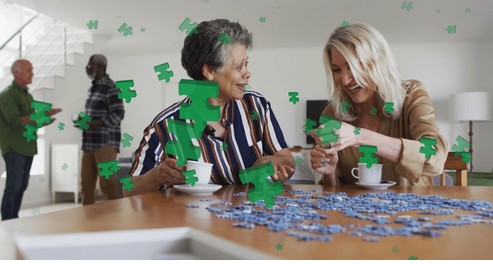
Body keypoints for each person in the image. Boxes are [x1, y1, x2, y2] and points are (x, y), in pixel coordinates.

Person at [125, 19, 294, 196]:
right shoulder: (165, 126)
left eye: (246, 64)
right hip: (195, 220)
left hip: (255, 217)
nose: (247, 73)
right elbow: (128, 189)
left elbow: (286, 159)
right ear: (209, 72)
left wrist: (274, 162)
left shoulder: (257, 106)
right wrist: (157, 176)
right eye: (239, 66)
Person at [310, 23, 448, 186]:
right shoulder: (332, 113)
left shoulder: (412, 95)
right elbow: (333, 195)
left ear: (378, 61)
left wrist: (360, 136)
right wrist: (329, 173)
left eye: (353, 66)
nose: (345, 80)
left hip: (413, 209)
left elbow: (435, 158)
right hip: (354, 211)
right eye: (337, 70)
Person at [0, 59, 61, 220]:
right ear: (16, 73)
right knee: (13, 186)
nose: (32, 73)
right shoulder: (7, 95)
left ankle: (14, 218)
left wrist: (46, 117)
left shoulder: (28, 95)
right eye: (28, 70)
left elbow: (32, 118)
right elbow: (16, 120)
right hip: (14, 148)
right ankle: (7, 221)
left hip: (28, 147)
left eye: (32, 70)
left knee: (21, 186)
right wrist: (41, 116)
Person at [79, 54, 125, 205]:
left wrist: (95, 124)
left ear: (100, 67)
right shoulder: (92, 88)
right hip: (89, 144)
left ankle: (111, 222)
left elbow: (118, 114)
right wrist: (84, 122)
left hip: (106, 144)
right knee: (86, 185)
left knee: (108, 185)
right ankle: (88, 221)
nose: (87, 67)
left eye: (90, 65)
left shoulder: (111, 88)